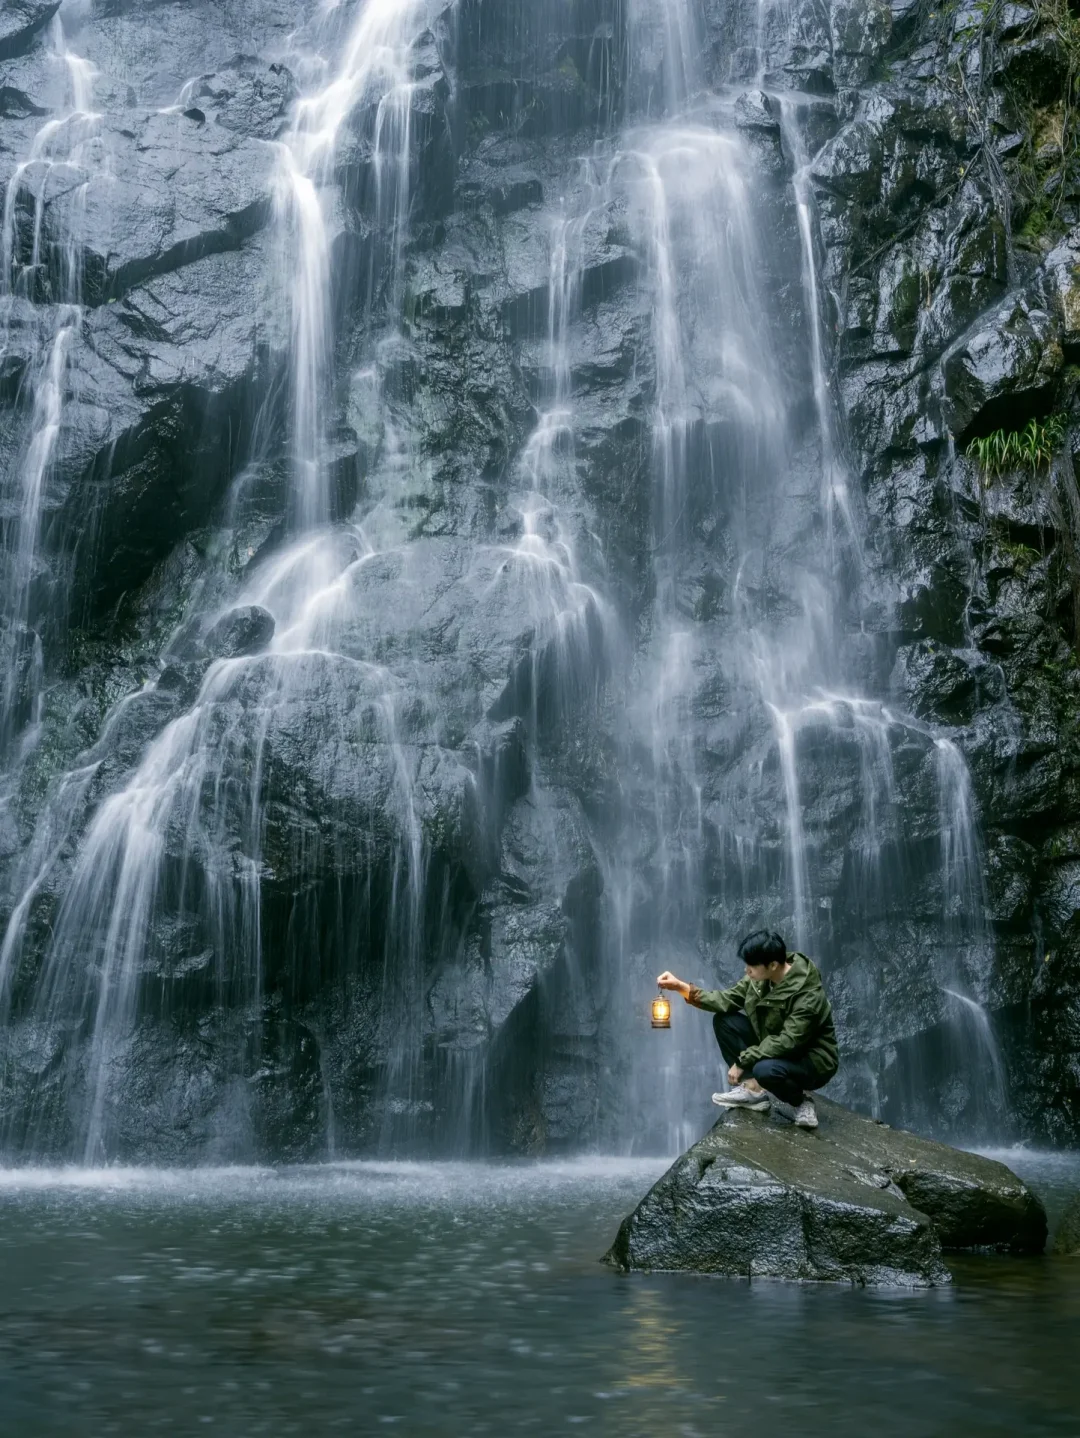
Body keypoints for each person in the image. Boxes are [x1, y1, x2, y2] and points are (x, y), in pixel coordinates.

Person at [657, 929, 838, 1130]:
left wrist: (743, 1060)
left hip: (811, 1060)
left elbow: (788, 1041)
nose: (747, 970)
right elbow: (726, 1000)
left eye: (752, 965)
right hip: (776, 1046)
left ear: (773, 965)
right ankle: (754, 1090)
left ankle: (801, 1103)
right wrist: (681, 987)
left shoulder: (808, 994)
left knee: (765, 1070)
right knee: (724, 1021)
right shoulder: (759, 980)